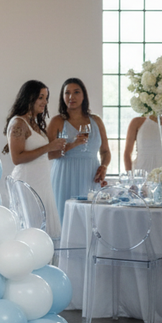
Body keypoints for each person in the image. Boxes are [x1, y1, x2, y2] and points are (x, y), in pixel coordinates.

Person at [3, 81, 66, 239]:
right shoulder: (18, 123)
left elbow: (44, 156)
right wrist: (48, 147)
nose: (45, 102)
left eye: (46, 98)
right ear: (29, 98)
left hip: (42, 184)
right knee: (32, 232)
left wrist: (67, 147)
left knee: (45, 232)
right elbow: (17, 158)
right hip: (28, 184)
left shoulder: (34, 122)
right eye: (41, 97)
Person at [48, 78, 111, 223]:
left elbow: (105, 151)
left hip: (90, 175)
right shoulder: (57, 121)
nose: (71, 97)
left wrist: (104, 166)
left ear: (84, 96)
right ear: (62, 97)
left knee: (90, 220)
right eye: (67, 93)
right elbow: (50, 154)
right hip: (64, 174)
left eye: (76, 92)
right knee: (64, 218)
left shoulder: (96, 121)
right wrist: (74, 144)